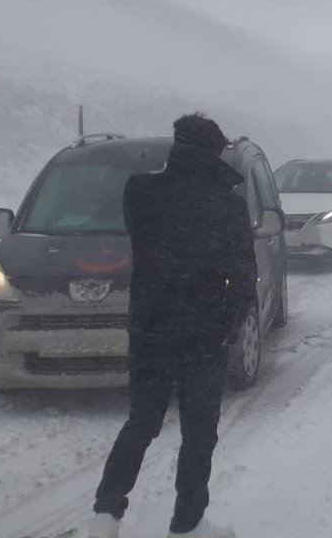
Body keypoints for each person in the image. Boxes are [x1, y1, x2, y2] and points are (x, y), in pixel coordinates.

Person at [88, 114, 256, 538]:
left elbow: (147, 247)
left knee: (141, 422)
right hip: (202, 336)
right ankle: (187, 525)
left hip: (149, 329)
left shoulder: (140, 192)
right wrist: (226, 326)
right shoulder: (227, 203)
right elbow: (242, 275)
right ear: (213, 151)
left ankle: (106, 516)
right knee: (198, 433)